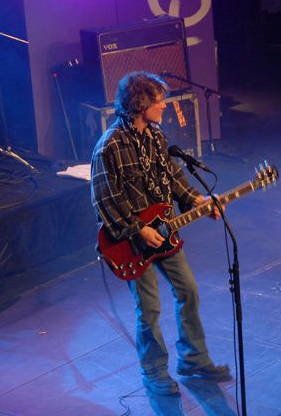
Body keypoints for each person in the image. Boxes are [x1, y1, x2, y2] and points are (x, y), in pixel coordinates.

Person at [90, 71, 231, 395]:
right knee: (150, 308)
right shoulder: (109, 146)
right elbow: (105, 199)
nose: (164, 107)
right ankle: (154, 373)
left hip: (164, 233)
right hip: (131, 243)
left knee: (189, 291)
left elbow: (172, 177)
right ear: (141, 105)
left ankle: (194, 360)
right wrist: (138, 230)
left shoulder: (154, 136)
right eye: (159, 101)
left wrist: (197, 199)